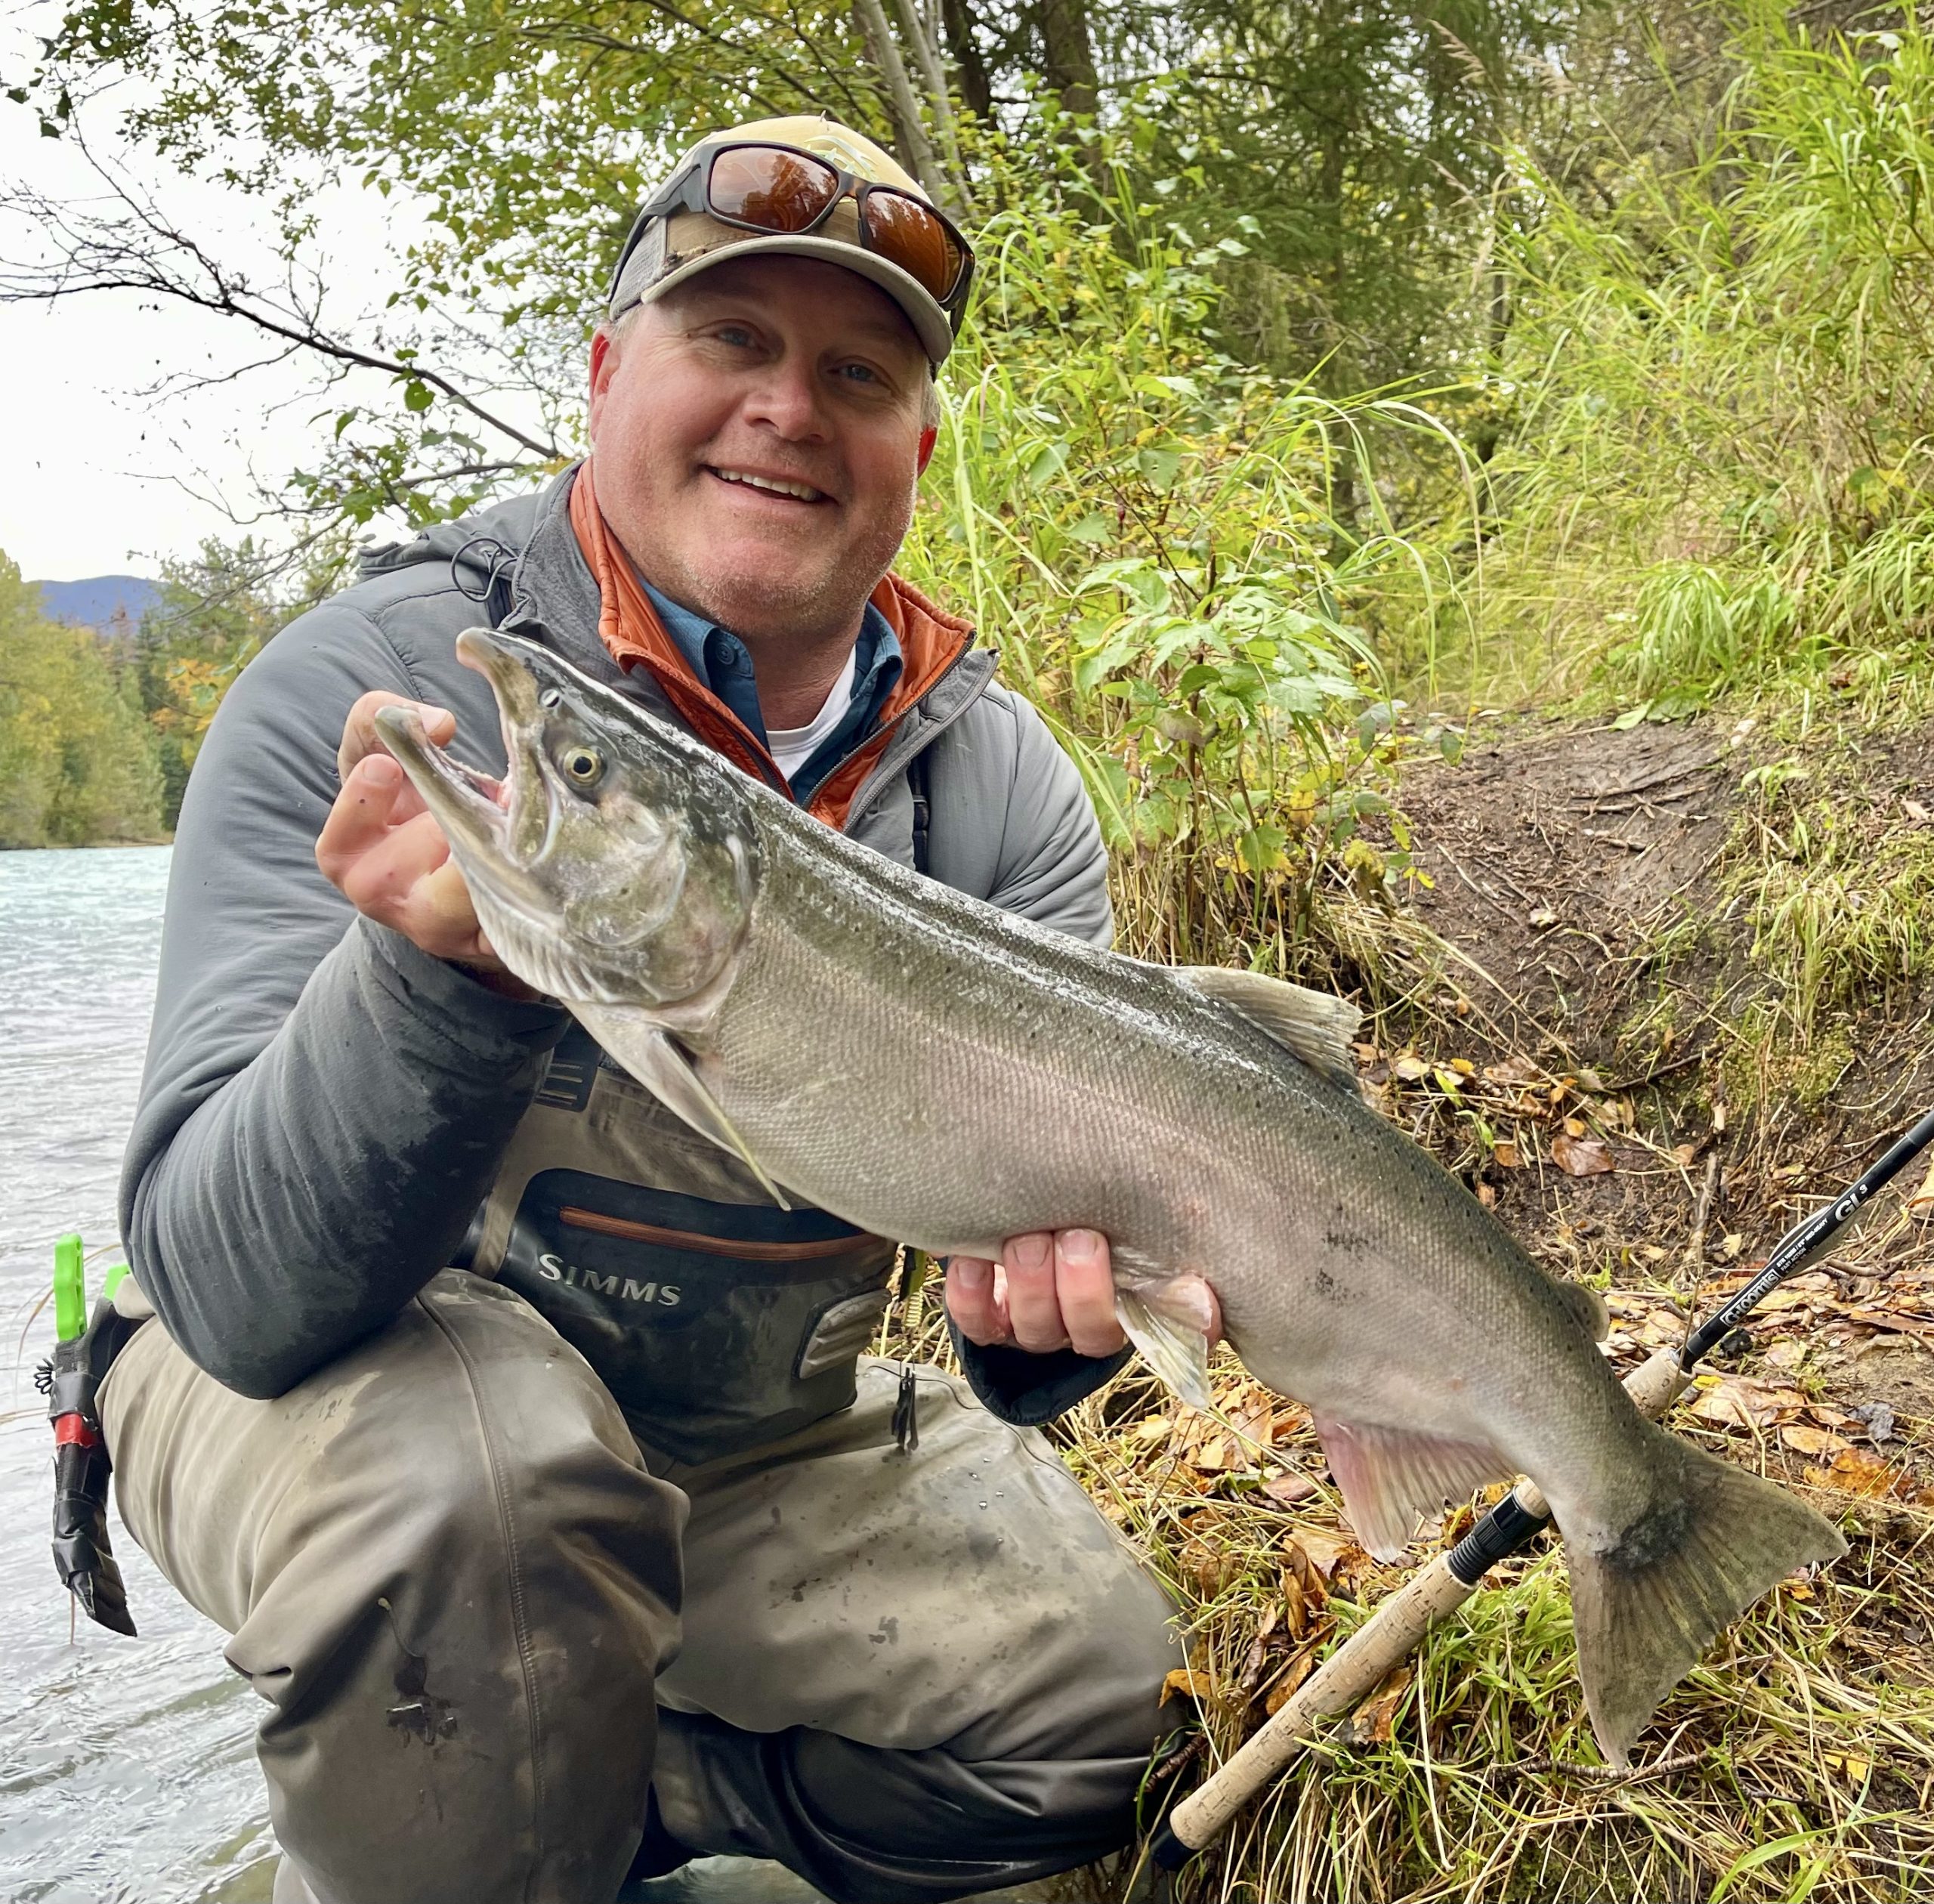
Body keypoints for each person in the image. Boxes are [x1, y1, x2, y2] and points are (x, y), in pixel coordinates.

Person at [100, 116, 1217, 1904]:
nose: (790, 406)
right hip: (332, 1391)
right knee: (480, 1492)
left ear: (913, 450)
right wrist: (435, 976)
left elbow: (1030, 1333)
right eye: (732, 341)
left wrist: (1043, 1336)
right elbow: (234, 1295)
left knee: (1096, 1705)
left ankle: (606, 1812)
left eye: (856, 372)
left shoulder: (995, 787)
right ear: (609, 371)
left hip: (736, 1430)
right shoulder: (380, 683)